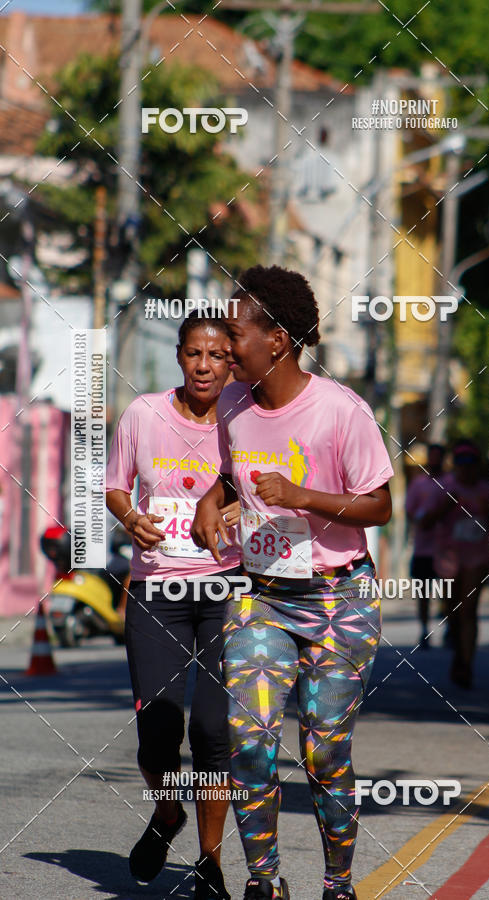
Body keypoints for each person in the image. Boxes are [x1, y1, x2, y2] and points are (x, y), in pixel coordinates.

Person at [191, 265, 393, 900]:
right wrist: (209, 502)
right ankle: (264, 882)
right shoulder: (232, 405)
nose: (225, 347)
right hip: (261, 594)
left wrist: (304, 495)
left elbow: (380, 506)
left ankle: (338, 884)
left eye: (235, 332)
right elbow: (227, 476)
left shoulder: (340, 411)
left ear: (276, 339)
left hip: (340, 596)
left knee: (324, 753)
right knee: (248, 740)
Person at [105, 312, 242, 899]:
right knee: (158, 734)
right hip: (157, 590)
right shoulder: (143, 415)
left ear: (232, 363)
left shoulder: (246, 417)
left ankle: (210, 863)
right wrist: (130, 516)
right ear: (179, 357)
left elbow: (268, 478)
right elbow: (115, 484)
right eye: (193, 354)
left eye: (216, 356)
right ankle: (166, 814)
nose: (204, 366)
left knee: (215, 732)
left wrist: (243, 508)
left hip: (227, 588)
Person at [423, 440, 489, 688]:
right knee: (453, 611)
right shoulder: (445, 488)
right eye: (461, 463)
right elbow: (424, 522)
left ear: (477, 465)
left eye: (471, 463)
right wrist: (444, 507)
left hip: (477, 558)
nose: (466, 469)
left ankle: (466, 663)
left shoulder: (487, 491)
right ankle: (458, 651)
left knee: (469, 611)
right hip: (448, 558)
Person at [405, 444, 446, 648]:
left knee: (448, 591)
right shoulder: (418, 484)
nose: (435, 460)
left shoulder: (451, 483)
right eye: (432, 456)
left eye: (439, 456)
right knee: (423, 592)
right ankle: (424, 629)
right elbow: (409, 511)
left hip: (447, 549)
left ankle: (450, 628)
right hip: (423, 548)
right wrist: (422, 520)